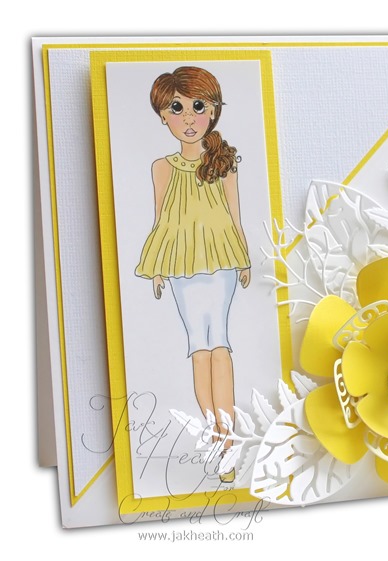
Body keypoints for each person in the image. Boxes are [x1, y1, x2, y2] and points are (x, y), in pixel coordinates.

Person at [135, 66, 251, 482]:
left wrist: (245, 259)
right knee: (198, 349)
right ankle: (218, 435)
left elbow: (236, 215)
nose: (188, 117)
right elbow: (160, 219)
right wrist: (156, 268)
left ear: (213, 111)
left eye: (197, 106)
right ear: (162, 116)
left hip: (221, 263)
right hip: (181, 266)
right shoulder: (161, 168)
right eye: (176, 108)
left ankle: (228, 440)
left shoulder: (224, 162)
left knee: (219, 344)